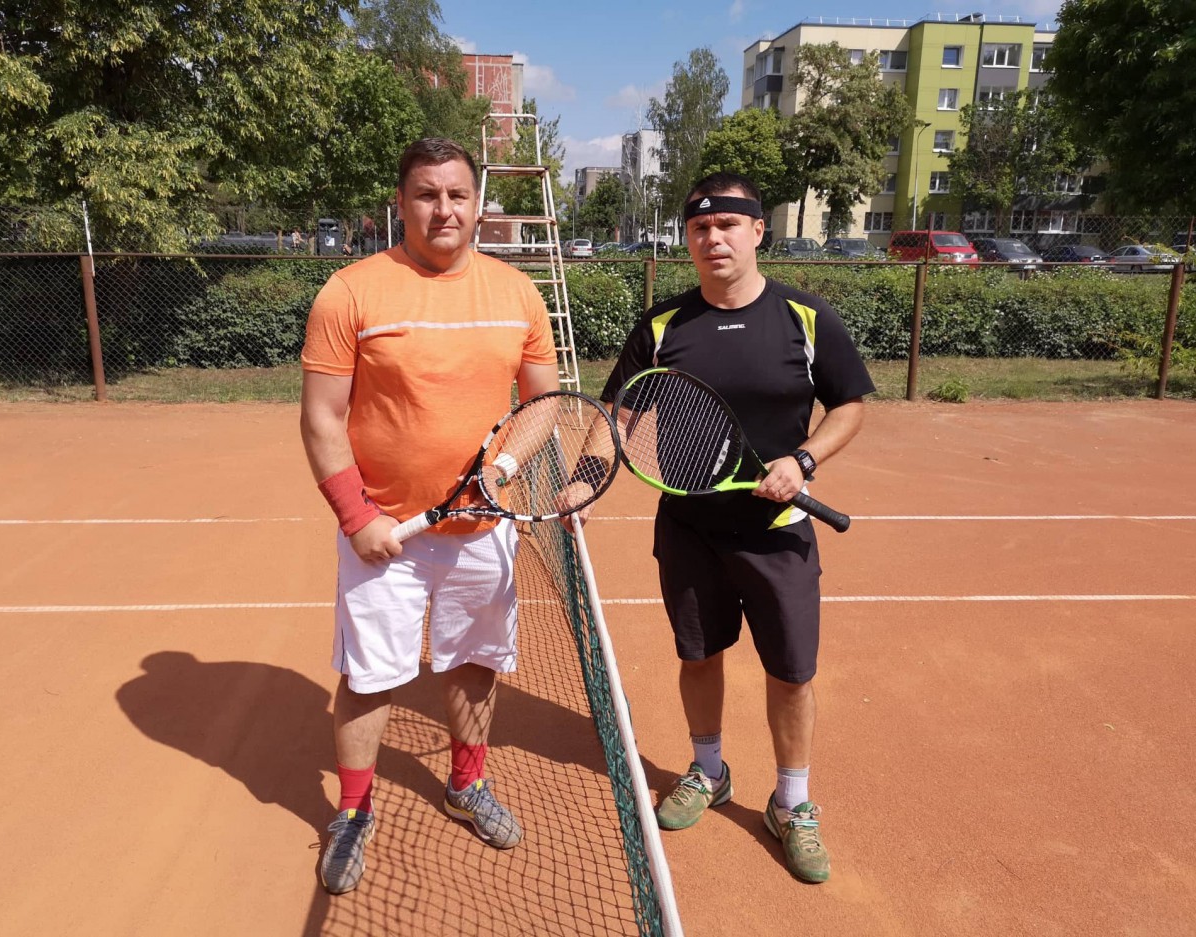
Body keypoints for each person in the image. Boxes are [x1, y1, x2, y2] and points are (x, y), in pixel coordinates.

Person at [299, 137, 559, 895]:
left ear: (477, 203)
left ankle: (466, 784)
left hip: (483, 529)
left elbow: (543, 405)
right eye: (426, 194)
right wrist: (357, 517)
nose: (443, 209)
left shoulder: (517, 293)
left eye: (456, 194)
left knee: (474, 661)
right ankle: (353, 810)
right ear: (401, 202)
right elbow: (321, 417)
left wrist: (503, 470)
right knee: (370, 675)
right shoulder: (349, 292)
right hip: (383, 531)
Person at [599, 172, 874, 884]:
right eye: (699, 227)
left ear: (757, 231)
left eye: (726, 225)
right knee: (699, 656)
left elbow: (849, 405)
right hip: (689, 526)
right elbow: (617, 417)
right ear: (687, 238)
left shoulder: (805, 318)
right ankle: (709, 770)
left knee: (791, 673)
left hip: (778, 530)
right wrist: (583, 480)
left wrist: (803, 459)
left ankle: (791, 803)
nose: (712, 238)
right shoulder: (662, 325)